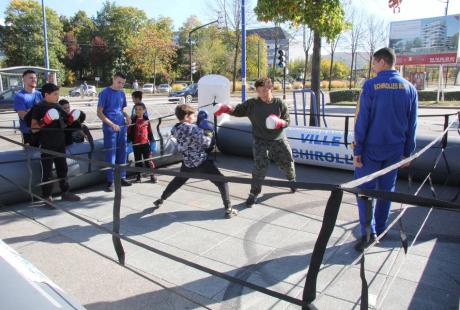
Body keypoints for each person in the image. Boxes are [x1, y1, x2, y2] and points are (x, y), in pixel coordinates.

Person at [353, 47, 418, 252]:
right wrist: (408, 153)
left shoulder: (371, 86)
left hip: (371, 149)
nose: (373, 67)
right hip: (395, 150)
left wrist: (357, 150)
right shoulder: (410, 88)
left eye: (374, 62)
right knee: (387, 191)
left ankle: (367, 233)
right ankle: (380, 229)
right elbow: (412, 125)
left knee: (365, 191)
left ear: (382, 61)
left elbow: (362, 121)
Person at [213, 77, 296, 207]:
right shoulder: (252, 104)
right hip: (260, 141)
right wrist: (226, 109)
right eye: (259, 91)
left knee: (287, 162)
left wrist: (279, 123)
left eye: (264, 90)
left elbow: (287, 121)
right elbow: (237, 111)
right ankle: (253, 194)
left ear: (270, 88)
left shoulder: (279, 103)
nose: (262, 94)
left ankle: (292, 180)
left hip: (278, 139)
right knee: (259, 168)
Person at [153, 104, 237, 218]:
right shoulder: (193, 128)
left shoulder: (175, 128)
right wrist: (207, 129)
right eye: (193, 115)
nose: (194, 117)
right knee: (222, 182)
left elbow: (187, 132)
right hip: (201, 162)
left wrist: (197, 126)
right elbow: (207, 143)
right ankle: (228, 208)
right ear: (187, 116)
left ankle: (161, 199)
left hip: (187, 162)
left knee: (177, 181)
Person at [30, 83, 81, 203]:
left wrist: (71, 119)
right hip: (46, 145)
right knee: (47, 171)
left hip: (60, 143)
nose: (57, 96)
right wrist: (45, 121)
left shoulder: (57, 107)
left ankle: (65, 192)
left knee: (62, 169)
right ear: (46, 95)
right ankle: (46, 196)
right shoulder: (38, 107)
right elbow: (33, 128)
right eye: (55, 94)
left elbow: (66, 123)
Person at [97, 72, 132, 191]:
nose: (121, 85)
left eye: (123, 83)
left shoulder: (122, 93)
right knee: (110, 154)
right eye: (119, 82)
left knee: (123, 151)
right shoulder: (104, 93)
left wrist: (127, 116)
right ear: (113, 80)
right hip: (110, 128)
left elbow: (121, 109)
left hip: (121, 126)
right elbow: (99, 113)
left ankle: (122, 177)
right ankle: (110, 180)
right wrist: (111, 124)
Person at [127, 102, 157, 183]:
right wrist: (128, 141)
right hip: (136, 145)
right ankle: (138, 176)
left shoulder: (146, 120)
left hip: (145, 144)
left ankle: (152, 175)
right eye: (136, 109)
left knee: (149, 160)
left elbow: (150, 132)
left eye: (140, 109)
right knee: (138, 161)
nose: (138, 111)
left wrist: (152, 141)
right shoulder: (133, 120)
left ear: (144, 110)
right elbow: (129, 132)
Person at [14, 70, 43, 145]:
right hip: (28, 133)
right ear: (24, 80)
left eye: (35, 77)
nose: (34, 79)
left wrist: (29, 110)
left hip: (43, 131)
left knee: (45, 155)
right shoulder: (19, 96)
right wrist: (37, 108)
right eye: (31, 78)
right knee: (32, 156)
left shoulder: (40, 94)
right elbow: (24, 116)